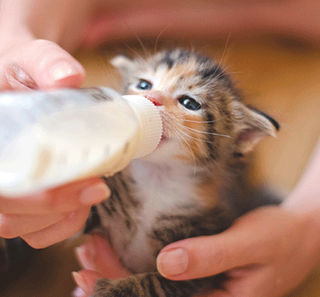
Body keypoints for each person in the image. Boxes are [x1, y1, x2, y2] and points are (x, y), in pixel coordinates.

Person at [0, 1, 319, 296]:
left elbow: (187, 280)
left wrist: (310, 220)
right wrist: (13, 42)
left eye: (189, 102)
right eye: (142, 85)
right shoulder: (109, 174)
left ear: (238, 138)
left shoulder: (203, 217)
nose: (152, 99)